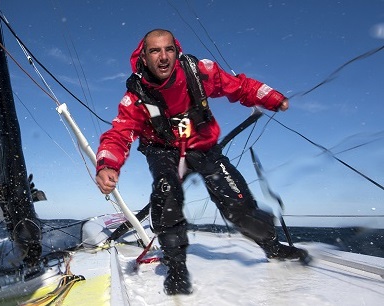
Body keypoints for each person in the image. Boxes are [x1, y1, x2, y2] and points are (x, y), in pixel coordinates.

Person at [94, 29, 308, 295]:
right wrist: (107, 164)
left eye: (168, 50)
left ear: (176, 51)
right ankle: (176, 269)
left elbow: (239, 86)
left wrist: (272, 98)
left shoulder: (198, 71)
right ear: (144, 57)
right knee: (167, 191)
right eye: (155, 51)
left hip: (203, 147)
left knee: (237, 204)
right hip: (163, 150)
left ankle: (272, 246)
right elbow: (119, 133)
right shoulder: (135, 96)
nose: (163, 58)